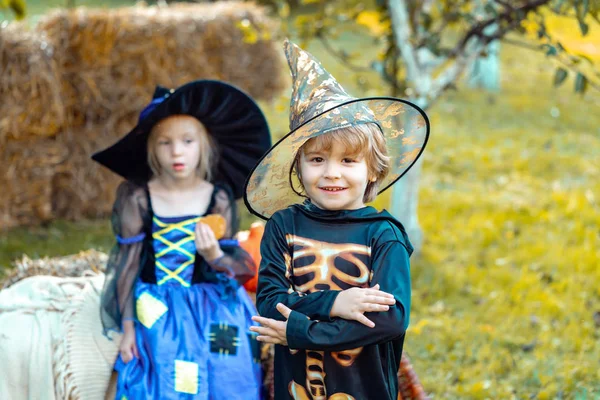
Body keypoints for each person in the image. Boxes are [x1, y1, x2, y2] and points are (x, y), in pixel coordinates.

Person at [244, 40, 430, 400]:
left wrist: (301, 330)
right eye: (317, 160)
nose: (331, 174)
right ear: (297, 166)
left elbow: (390, 320)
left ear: (374, 170)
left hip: (365, 388)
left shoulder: (383, 235)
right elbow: (268, 302)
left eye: (348, 161)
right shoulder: (284, 226)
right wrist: (336, 304)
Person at [92, 80, 272, 399]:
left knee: (227, 374)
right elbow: (128, 263)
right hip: (156, 306)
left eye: (187, 141)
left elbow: (237, 266)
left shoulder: (216, 197)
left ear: (204, 145)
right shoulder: (139, 198)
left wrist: (214, 253)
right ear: (151, 148)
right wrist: (128, 326)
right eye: (165, 143)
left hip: (211, 305)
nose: (177, 151)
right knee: (160, 376)